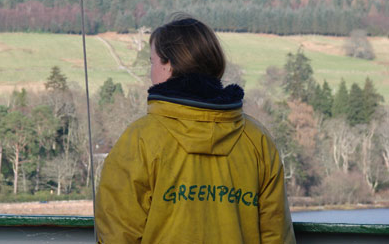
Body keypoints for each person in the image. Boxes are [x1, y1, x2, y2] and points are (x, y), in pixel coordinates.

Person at [95, 14, 296, 243]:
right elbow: (276, 234)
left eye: (152, 62)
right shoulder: (257, 140)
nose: (150, 74)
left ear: (168, 64)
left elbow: (117, 233)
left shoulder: (140, 139)